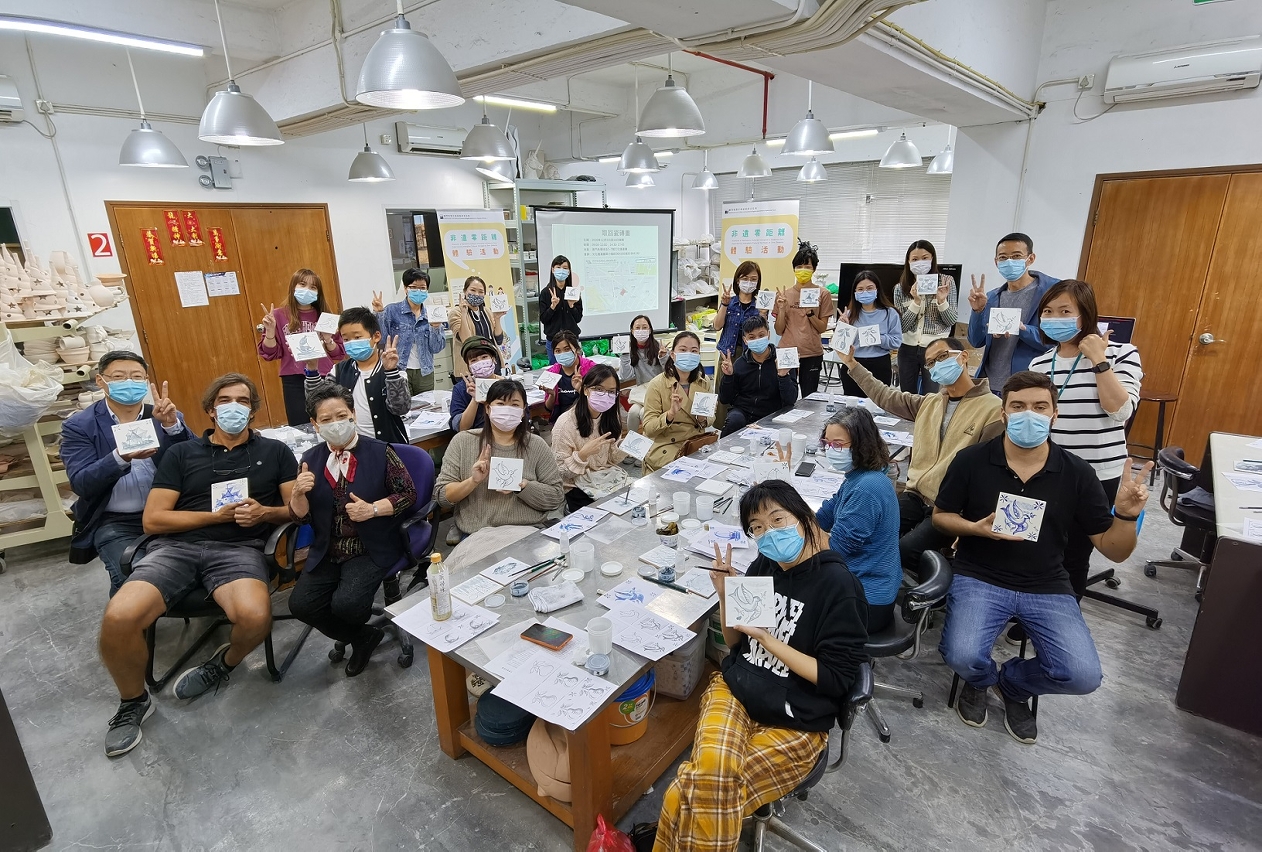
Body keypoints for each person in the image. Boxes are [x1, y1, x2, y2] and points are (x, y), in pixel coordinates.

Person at [933, 371, 1152, 744]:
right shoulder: (972, 461)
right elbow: (941, 516)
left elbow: (1114, 549)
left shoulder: (1077, 472)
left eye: (1039, 407)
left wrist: (1126, 516)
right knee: (961, 655)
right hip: (980, 576)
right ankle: (979, 679)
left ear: (1054, 415)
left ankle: (1013, 684)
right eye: (1018, 406)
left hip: (1047, 584)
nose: (1028, 415)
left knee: (1082, 675)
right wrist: (974, 528)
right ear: (1003, 413)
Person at [652, 481, 867, 852]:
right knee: (708, 784)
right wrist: (725, 598)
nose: (769, 533)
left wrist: (770, 640)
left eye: (777, 519)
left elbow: (835, 680)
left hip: (796, 718)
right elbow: (737, 644)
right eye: (757, 528)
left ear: (804, 517)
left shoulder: (839, 587)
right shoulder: (764, 565)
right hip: (737, 691)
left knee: (691, 793)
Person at [98, 373, 298, 757]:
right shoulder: (181, 454)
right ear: (210, 410)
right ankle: (133, 701)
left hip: (240, 549)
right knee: (119, 617)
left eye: (243, 401)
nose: (234, 407)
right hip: (176, 548)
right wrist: (214, 517)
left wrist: (265, 512)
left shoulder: (275, 452)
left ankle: (223, 664)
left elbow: (294, 510)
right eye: (224, 400)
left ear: (253, 411)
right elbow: (153, 520)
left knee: (256, 617)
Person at [838, 338, 1003, 579]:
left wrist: (967, 526)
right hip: (915, 494)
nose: (937, 365)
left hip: (951, 506)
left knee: (904, 551)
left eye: (942, 357)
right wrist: (852, 364)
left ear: (964, 356)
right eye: (931, 363)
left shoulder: (993, 409)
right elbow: (885, 395)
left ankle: (928, 587)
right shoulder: (929, 402)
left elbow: (989, 472)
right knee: (871, 534)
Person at [287, 384, 416, 677]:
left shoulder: (380, 452)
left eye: (341, 416)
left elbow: (408, 494)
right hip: (328, 546)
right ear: (315, 424)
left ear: (353, 415)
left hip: (371, 545)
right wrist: (297, 494)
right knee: (301, 605)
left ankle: (355, 631)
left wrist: (373, 509)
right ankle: (362, 637)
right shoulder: (310, 459)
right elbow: (300, 518)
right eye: (326, 419)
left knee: (346, 605)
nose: (335, 424)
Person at [1029, 280, 1143, 596]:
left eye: (1065, 311)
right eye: (1047, 311)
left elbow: (1120, 411)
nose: (1055, 318)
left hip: (1097, 473)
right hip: (1047, 470)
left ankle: (1064, 614)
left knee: (1075, 554)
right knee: (1039, 545)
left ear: (1085, 314)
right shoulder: (1040, 362)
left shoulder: (1121, 353)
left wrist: (1098, 360)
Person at [63, 351, 192, 595]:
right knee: (137, 581)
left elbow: (197, 463)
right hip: (115, 520)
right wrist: (119, 457)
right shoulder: (80, 426)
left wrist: (173, 427)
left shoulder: (164, 416)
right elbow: (82, 483)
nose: (129, 383)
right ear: (101, 381)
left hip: (171, 512)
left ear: (146, 381)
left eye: (136, 377)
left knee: (196, 567)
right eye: (119, 377)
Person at [435, 378, 565, 553]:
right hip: (478, 536)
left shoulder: (536, 445)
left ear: (523, 411)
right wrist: (473, 481)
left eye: (515, 405)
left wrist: (524, 487)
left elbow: (556, 496)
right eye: (501, 404)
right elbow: (442, 497)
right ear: (488, 408)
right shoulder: (463, 442)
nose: (507, 410)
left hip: (527, 531)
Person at [814, 406, 901, 633]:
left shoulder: (867, 489)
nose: (831, 450)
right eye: (827, 443)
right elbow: (825, 515)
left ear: (861, 445)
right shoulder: (860, 477)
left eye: (838, 445)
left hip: (868, 601)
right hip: (863, 585)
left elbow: (835, 550)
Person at [966, 233, 1060, 393]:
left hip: (1028, 385)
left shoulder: (1052, 292)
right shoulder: (991, 297)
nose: (1009, 262)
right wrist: (978, 311)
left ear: (1030, 258)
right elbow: (976, 342)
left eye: (1016, 256)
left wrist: (1023, 329)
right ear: (996, 262)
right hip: (990, 385)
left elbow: (1057, 341)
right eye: (1003, 257)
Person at [303, 307, 409, 444]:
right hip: (351, 446)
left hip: (388, 446)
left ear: (376, 336)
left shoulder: (394, 369)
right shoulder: (338, 370)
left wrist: (391, 372)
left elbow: (400, 409)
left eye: (357, 337)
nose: (352, 342)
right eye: (346, 339)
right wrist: (312, 369)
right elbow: (317, 403)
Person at [257, 268, 345, 426]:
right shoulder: (278, 315)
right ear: (293, 287)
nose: (307, 290)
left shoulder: (325, 315)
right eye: (302, 285)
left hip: (324, 376)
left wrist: (328, 340)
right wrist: (270, 331)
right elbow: (270, 353)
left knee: (327, 421)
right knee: (300, 425)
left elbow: (338, 354)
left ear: (318, 292)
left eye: (313, 287)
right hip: (294, 378)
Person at [550, 365, 629, 512]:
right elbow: (559, 473)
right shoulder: (565, 424)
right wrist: (581, 455)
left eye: (611, 392)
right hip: (575, 485)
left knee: (632, 506)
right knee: (604, 515)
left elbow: (610, 460)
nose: (605, 395)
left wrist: (622, 447)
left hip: (606, 477)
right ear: (585, 390)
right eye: (599, 389)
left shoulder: (611, 417)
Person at [641, 331, 714, 473]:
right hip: (666, 445)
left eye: (694, 351)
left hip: (695, 443)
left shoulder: (704, 381)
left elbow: (711, 418)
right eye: (683, 350)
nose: (689, 354)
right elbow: (648, 428)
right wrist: (670, 414)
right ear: (673, 355)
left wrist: (702, 418)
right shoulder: (657, 384)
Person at [892, 240, 958, 393]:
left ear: (932, 258)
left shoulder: (946, 282)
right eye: (915, 259)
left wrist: (941, 301)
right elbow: (902, 327)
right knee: (907, 395)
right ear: (908, 262)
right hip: (907, 348)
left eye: (925, 258)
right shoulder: (900, 288)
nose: (920, 262)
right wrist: (916, 303)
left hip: (936, 348)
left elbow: (951, 320)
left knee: (932, 395)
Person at [717, 315, 797, 437]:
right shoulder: (740, 364)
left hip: (773, 413)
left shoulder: (783, 359)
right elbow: (725, 399)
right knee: (734, 421)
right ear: (745, 340)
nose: (757, 340)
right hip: (743, 411)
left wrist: (783, 376)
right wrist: (728, 376)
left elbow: (791, 400)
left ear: (768, 335)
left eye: (761, 335)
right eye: (752, 337)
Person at [370, 268, 446, 395]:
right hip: (399, 369)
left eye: (422, 288)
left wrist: (436, 328)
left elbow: (436, 348)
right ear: (405, 288)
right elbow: (381, 341)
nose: (418, 291)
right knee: (403, 404)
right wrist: (379, 314)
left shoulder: (432, 314)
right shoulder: (392, 311)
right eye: (414, 287)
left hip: (425, 371)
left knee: (426, 404)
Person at [773, 241, 834, 397]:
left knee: (810, 397)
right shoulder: (784, 295)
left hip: (812, 352)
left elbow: (822, 328)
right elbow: (779, 331)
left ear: (814, 269)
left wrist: (810, 313)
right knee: (786, 395)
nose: (803, 270)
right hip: (787, 350)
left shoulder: (823, 294)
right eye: (799, 267)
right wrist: (781, 309)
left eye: (807, 267)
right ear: (794, 269)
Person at [838, 271, 901, 398]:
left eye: (869, 288)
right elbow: (840, 346)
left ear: (877, 290)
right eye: (860, 289)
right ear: (855, 293)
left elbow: (896, 341)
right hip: (853, 363)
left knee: (879, 403)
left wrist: (876, 338)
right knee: (852, 404)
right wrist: (843, 328)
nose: (865, 292)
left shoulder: (890, 313)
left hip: (880, 364)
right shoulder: (848, 315)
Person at [450, 275, 508, 377]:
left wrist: (497, 318)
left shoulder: (487, 311)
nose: (477, 294)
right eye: (473, 290)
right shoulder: (456, 312)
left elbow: (498, 339)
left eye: (481, 291)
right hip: (470, 369)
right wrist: (464, 314)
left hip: (492, 367)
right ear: (465, 291)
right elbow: (466, 340)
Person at [448, 336, 504, 436]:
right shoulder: (461, 389)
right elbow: (461, 428)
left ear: (493, 358)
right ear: (469, 366)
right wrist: (475, 400)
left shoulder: (507, 385)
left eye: (484, 357)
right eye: (474, 360)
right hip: (476, 439)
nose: (480, 362)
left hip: (505, 437)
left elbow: (521, 416)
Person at [618, 314, 665, 434]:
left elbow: (669, 373)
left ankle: (651, 441)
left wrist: (664, 357)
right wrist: (625, 356)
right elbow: (626, 377)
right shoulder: (629, 349)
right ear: (632, 331)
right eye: (637, 328)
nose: (641, 331)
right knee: (633, 413)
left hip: (658, 393)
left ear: (650, 330)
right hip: (641, 394)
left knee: (644, 413)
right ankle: (632, 443)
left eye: (644, 327)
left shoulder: (658, 347)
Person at [713, 260, 768, 359]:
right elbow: (717, 326)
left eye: (753, 279)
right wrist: (724, 304)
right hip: (727, 355)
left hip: (751, 356)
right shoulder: (729, 302)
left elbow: (763, 335)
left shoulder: (760, 306)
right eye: (745, 278)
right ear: (738, 280)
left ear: (757, 282)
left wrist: (763, 314)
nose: (749, 282)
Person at [542, 330, 596, 424]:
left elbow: (598, 402)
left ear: (577, 349)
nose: (562, 354)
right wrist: (552, 395)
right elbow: (549, 408)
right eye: (558, 351)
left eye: (567, 349)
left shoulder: (591, 369)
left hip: (588, 420)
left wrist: (580, 389)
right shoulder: (551, 373)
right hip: (562, 422)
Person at [538, 255, 582, 363]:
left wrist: (571, 306)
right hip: (553, 340)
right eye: (558, 267)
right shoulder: (545, 293)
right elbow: (543, 319)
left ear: (569, 271)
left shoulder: (573, 292)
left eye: (565, 268)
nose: (561, 270)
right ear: (553, 269)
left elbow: (578, 318)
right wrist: (552, 307)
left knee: (575, 367)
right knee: (556, 369)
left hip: (572, 340)